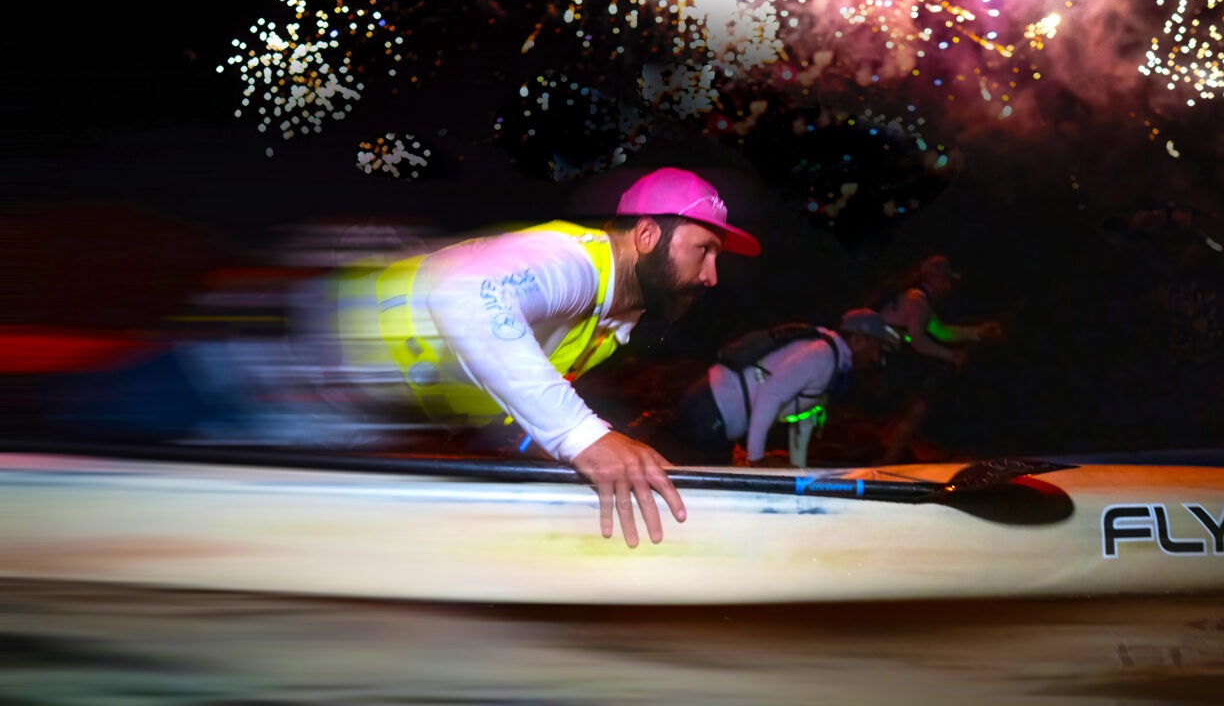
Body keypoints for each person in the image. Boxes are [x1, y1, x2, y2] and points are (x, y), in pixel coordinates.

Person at [44, 167, 761, 550]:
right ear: (644, 235)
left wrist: (546, 469)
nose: (711, 275)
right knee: (56, 444)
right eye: (704, 249)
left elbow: (496, 390)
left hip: (326, 422)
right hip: (265, 367)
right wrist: (586, 439)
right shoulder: (571, 262)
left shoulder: (600, 323)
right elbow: (464, 299)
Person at [672, 309, 901, 467]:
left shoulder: (832, 365)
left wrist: (798, 470)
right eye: (875, 347)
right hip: (709, 412)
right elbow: (770, 395)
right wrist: (756, 459)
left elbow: (803, 421)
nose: (875, 357)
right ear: (858, 340)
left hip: (714, 416)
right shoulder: (821, 356)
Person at [874, 255, 1004, 463]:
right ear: (932, 279)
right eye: (945, 280)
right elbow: (918, 340)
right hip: (885, 362)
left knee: (915, 408)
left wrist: (978, 332)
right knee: (917, 407)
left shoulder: (918, 300)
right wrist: (951, 356)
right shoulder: (916, 300)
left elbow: (941, 331)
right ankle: (884, 462)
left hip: (890, 361)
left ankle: (887, 458)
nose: (948, 285)